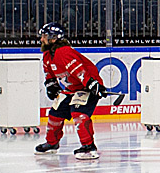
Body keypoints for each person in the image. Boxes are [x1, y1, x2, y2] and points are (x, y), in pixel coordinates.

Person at [34, 22, 107, 160]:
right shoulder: (48, 55)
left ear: (54, 38)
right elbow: (49, 74)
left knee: (78, 113)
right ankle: (52, 143)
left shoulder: (64, 51)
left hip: (87, 87)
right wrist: (51, 85)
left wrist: (92, 84)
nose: (41, 39)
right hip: (72, 89)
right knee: (55, 113)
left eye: (44, 36)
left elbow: (79, 71)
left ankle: (89, 146)